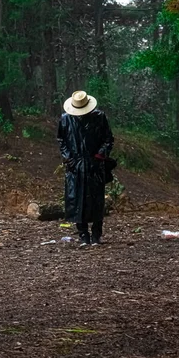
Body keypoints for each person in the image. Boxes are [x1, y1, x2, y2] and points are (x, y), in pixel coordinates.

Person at [57, 90, 114, 246]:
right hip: (75, 166)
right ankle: (83, 235)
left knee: (96, 200)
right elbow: (61, 140)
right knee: (76, 200)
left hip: (94, 164)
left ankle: (96, 235)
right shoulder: (65, 119)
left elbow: (108, 139)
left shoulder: (99, 117)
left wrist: (100, 155)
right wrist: (68, 158)